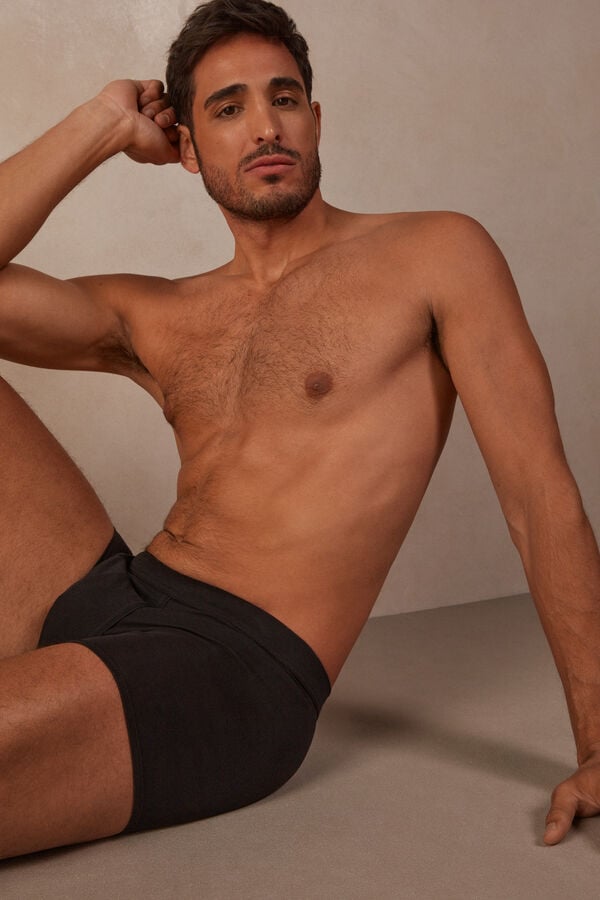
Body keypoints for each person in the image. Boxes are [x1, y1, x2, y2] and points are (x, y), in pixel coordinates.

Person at [0, 0, 598, 859]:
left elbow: (540, 498)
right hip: (116, 600)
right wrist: (99, 124)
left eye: (283, 98)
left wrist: (598, 743)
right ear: (186, 148)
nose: (265, 126)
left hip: (230, 671)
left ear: (315, 120)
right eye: (228, 107)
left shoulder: (436, 255)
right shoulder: (159, 313)